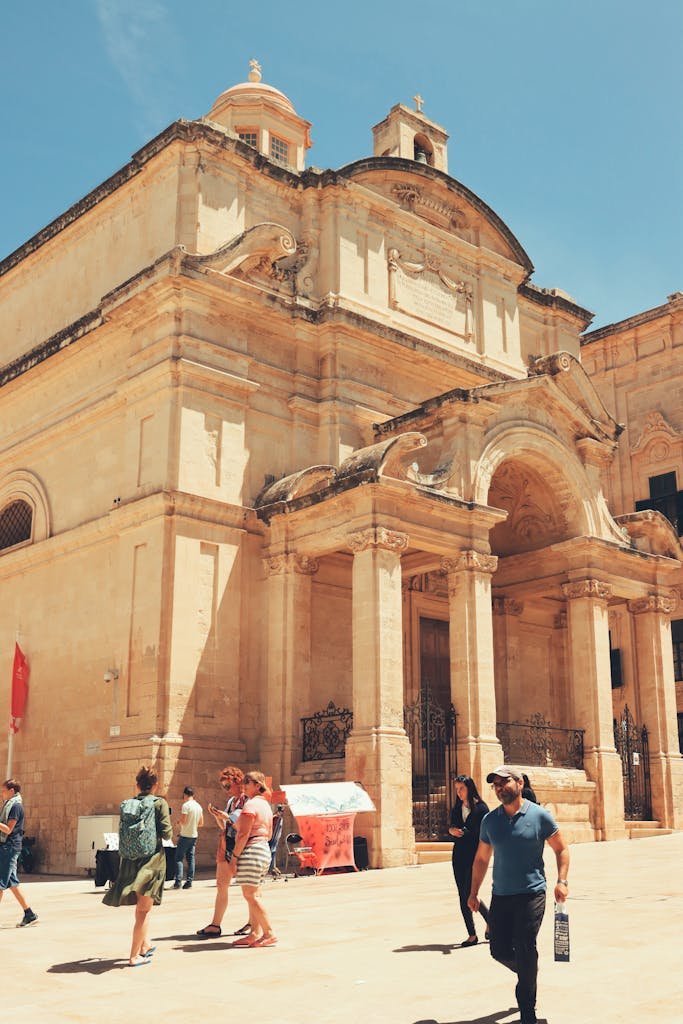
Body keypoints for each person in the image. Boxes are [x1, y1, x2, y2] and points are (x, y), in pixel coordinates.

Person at [468, 765, 569, 1024]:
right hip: (501, 894)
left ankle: (527, 1011)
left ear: (520, 783)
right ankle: (527, 972)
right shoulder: (490, 820)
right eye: (496, 784)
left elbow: (561, 849)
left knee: (525, 946)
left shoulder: (539, 816)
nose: (500, 787)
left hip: (531, 894)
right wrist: (473, 892)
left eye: (505, 782)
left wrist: (562, 881)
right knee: (498, 949)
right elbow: (481, 859)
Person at [103, 764, 172, 967]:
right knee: (144, 910)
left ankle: (144, 946)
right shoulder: (159, 803)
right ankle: (134, 956)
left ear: (137, 785)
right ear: (155, 786)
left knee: (144, 908)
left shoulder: (129, 804)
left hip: (130, 860)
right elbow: (167, 833)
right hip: (151, 861)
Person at [196, 765, 246, 938]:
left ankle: (254, 922)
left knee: (250, 887)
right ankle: (215, 924)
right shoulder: (232, 802)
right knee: (221, 884)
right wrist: (219, 817)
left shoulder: (247, 800)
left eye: (227, 786)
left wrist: (226, 817)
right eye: (223, 787)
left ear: (237, 781)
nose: (225, 790)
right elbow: (226, 825)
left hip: (241, 846)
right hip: (226, 843)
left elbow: (243, 825)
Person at [232, 770, 275, 947]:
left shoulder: (250, 805)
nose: (244, 786)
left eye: (247, 783)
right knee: (254, 893)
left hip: (252, 850)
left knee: (250, 895)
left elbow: (243, 834)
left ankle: (268, 932)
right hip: (263, 849)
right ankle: (255, 933)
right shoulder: (265, 805)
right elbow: (270, 833)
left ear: (257, 785)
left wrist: (234, 856)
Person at [448, 774, 489, 947]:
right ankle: (472, 934)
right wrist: (452, 831)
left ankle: (491, 921)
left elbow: (483, 833)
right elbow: (450, 826)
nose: (459, 793)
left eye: (461, 789)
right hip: (459, 856)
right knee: (462, 894)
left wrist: (466, 832)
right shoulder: (457, 809)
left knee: (469, 893)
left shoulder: (481, 809)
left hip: (474, 855)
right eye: (457, 790)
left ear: (469, 788)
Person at [0, 779, 38, 927]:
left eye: (3, 791)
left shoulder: (15, 806)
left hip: (9, 848)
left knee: (1, 883)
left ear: (11, 791)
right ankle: (29, 914)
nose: (2, 794)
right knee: (12, 884)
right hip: (7, 847)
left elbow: (8, 829)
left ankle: (30, 914)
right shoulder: (9, 805)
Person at [173, 786, 204, 889]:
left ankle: (178, 881)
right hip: (194, 835)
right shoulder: (199, 806)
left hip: (185, 835)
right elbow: (201, 823)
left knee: (178, 858)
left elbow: (183, 821)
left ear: (185, 795)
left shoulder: (186, 806)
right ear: (193, 795)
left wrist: (178, 822)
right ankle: (189, 881)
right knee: (191, 859)